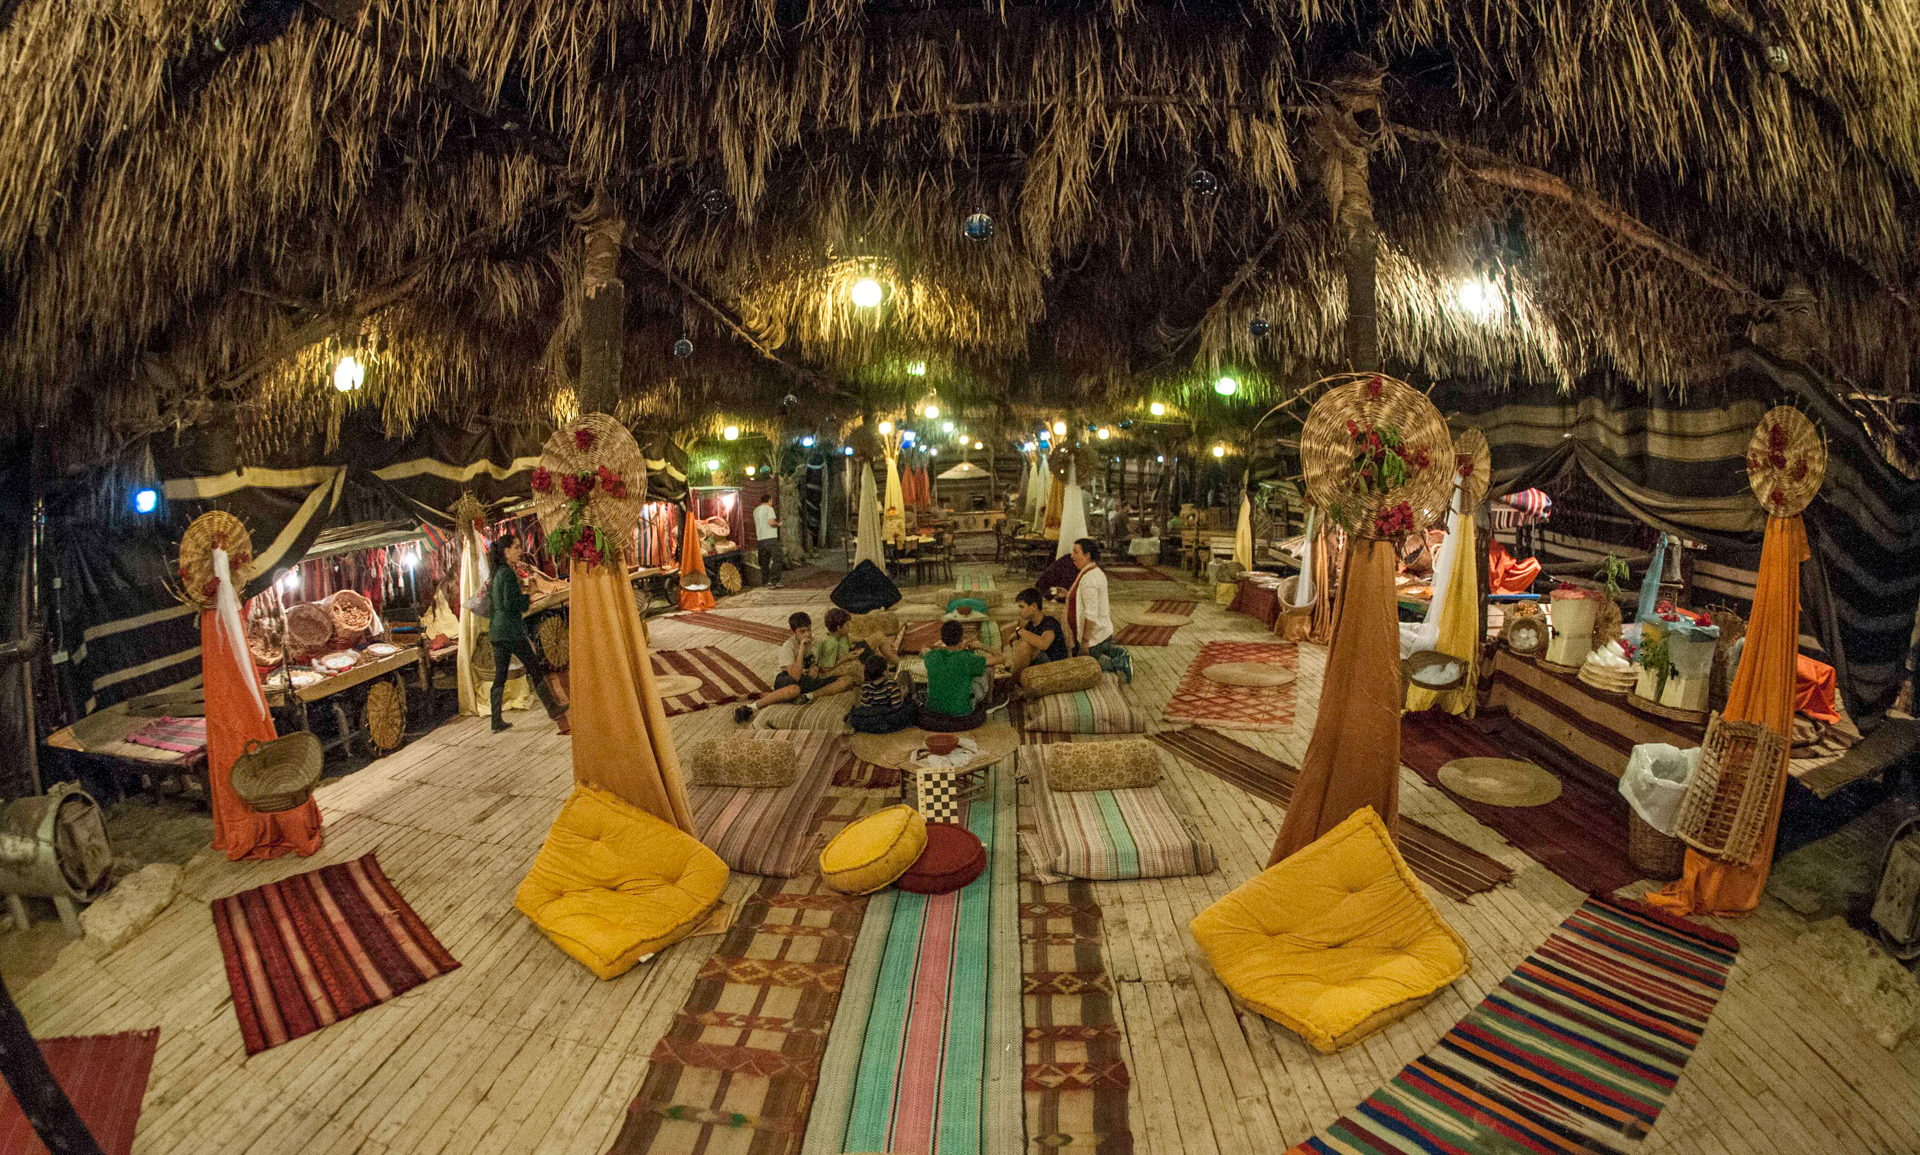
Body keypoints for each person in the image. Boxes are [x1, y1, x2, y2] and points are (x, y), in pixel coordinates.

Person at [486, 537, 568, 734]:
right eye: (516, 547)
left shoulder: (496, 573)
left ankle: (496, 720)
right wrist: (528, 595)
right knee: (535, 668)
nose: (520, 550)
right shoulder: (507, 573)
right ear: (506, 552)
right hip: (510, 631)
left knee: (500, 676)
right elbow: (512, 604)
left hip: (497, 631)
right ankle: (553, 708)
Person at [734, 612, 854, 722]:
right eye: (802, 631)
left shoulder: (817, 642)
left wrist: (816, 667)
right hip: (787, 678)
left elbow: (821, 663)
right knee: (794, 689)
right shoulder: (788, 647)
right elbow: (795, 676)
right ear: (794, 632)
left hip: (806, 680)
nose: (807, 634)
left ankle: (807, 696)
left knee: (847, 680)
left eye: (809, 629)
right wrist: (801, 650)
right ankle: (751, 707)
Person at [920, 619, 999, 731]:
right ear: (961, 638)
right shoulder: (967, 658)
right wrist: (981, 646)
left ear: (942, 638)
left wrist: (952, 648)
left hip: (933, 711)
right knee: (988, 667)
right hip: (962, 714)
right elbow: (1001, 658)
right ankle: (989, 702)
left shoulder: (932, 655)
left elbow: (925, 648)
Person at [1004, 585, 1068, 678]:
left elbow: (1044, 644)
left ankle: (1010, 681)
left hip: (1054, 664)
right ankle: (1009, 676)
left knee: (1025, 645)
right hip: (1039, 661)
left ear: (1034, 606)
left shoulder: (1050, 622)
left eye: (1022, 607)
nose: (1019, 611)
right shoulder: (1030, 625)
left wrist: (1019, 631)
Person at [1066, 537, 1114, 661]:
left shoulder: (1089, 578)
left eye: (1076, 552)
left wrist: (1085, 642)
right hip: (1098, 636)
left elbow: (1091, 614)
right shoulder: (1092, 572)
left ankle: (1119, 662)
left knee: (1087, 668)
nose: (1072, 556)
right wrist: (1067, 594)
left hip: (1094, 641)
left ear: (1087, 555)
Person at [846, 653, 918, 734]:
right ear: (884, 672)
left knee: (855, 715)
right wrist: (903, 695)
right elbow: (896, 706)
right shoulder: (891, 684)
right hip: (890, 715)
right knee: (912, 706)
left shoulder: (866, 686)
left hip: (875, 716)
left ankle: (876, 725)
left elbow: (865, 707)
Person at [754, 493, 783, 588]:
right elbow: (771, 522)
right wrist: (778, 524)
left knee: (764, 562)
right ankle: (774, 580)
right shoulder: (769, 509)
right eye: (771, 501)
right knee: (778, 558)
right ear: (769, 500)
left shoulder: (756, 510)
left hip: (760, 539)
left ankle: (765, 581)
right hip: (770, 538)